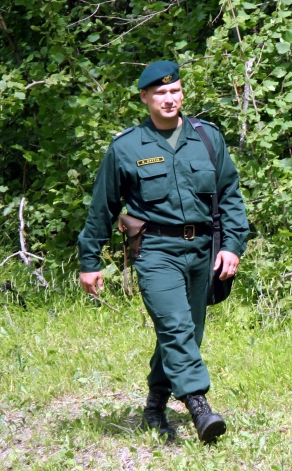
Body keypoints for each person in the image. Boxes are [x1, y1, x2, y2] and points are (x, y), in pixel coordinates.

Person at [77, 61, 249, 443]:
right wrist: (90, 263)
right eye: (160, 93)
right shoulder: (126, 147)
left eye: (175, 91)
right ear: (145, 98)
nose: (169, 99)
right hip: (155, 249)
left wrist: (233, 246)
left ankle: (155, 405)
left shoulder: (207, 138)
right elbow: (101, 208)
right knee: (175, 325)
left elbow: (231, 198)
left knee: (187, 332)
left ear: (182, 93)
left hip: (203, 248)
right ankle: (198, 403)